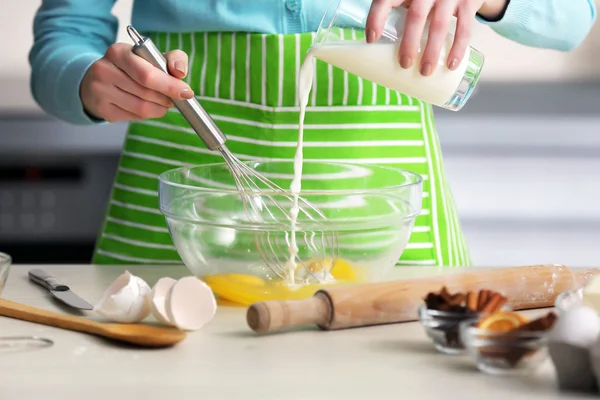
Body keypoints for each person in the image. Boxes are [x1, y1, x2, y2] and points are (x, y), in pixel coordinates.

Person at [30, 0, 596, 268]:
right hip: (179, 223)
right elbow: (66, 32)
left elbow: (573, 17)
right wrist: (86, 82)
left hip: (385, 227)